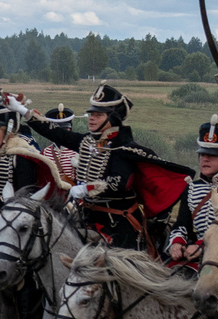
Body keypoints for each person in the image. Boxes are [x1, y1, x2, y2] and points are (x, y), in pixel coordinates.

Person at [16, 82, 185, 250]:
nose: (91, 118)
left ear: (112, 119)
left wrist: (86, 189)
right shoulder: (87, 142)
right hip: (87, 219)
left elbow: (118, 182)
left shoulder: (124, 149)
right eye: (91, 114)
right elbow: (55, 132)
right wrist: (23, 111)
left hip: (118, 227)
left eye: (98, 115)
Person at [161, 120, 218, 270]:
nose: (205, 159)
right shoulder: (192, 188)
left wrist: (202, 246)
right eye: (202, 154)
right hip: (192, 255)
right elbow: (182, 225)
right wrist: (177, 242)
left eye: (213, 155)